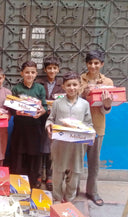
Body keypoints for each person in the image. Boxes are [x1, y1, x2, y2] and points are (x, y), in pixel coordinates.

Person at [45, 71, 93, 202]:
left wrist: (89, 133)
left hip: (77, 146)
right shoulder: (57, 103)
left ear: (79, 86)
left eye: (75, 85)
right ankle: (57, 197)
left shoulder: (84, 104)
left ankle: (70, 199)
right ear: (64, 87)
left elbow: (89, 123)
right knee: (57, 173)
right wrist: (48, 126)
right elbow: (51, 119)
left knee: (75, 173)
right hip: (60, 144)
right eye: (69, 85)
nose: (72, 88)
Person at [80, 50, 113, 206]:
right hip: (79, 127)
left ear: (101, 64)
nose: (93, 66)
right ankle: (71, 190)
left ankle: (92, 191)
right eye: (90, 63)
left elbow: (107, 109)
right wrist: (84, 93)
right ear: (86, 64)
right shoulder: (80, 80)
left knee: (94, 163)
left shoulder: (108, 82)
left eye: (96, 63)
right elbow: (73, 100)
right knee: (75, 162)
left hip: (97, 126)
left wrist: (107, 104)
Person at [9, 61, 47, 188]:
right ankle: (17, 184)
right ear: (22, 73)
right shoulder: (16, 89)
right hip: (20, 128)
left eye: (32, 72)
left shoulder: (40, 88)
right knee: (18, 155)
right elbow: (11, 108)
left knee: (33, 155)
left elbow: (45, 106)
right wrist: (17, 110)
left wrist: (42, 111)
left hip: (35, 128)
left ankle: (32, 183)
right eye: (27, 72)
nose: (29, 75)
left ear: (36, 74)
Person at [37, 57, 65, 190]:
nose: (52, 70)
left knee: (50, 150)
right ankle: (38, 175)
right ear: (45, 69)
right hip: (39, 120)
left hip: (54, 121)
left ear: (58, 70)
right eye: (49, 68)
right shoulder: (39, 83)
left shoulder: (62, 85)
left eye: (54, 68)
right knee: (39, 148)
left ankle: (49, 176)